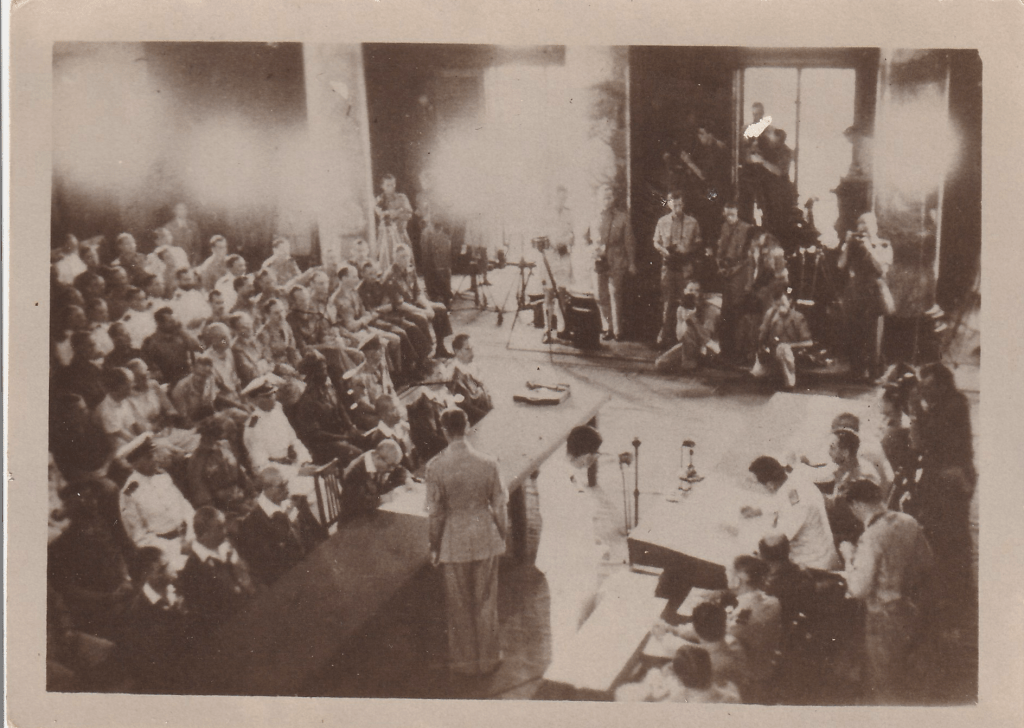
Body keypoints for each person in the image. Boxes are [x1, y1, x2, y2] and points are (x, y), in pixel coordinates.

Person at [426, 407, 508, 677]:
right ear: (468, 425)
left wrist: (435, 545)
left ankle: (464, 663)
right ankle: (489, 658)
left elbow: (436, 514)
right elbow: (499, 506)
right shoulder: (489, 463)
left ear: (444, 431)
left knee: (458, 604)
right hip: (485, 535)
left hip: (453, 539)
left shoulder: (435, 467)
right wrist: (501, 535)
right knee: (486, 601)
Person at [840, 479, 933, 703]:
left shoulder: (870, 536)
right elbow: (927, 561)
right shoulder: (908, 521)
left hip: (884, 617)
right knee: (915, 675)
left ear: (856, 505)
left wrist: (848, 558)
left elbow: (859, 589)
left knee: (886, 683)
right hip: (913, 608)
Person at [905, 362, 976, 615]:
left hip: (950, 478)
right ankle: (954, 591)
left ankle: (954, 596)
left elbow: (921, 443)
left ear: (942, 385)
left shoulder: (953, 406)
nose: (924, 391)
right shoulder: (951, 403)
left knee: (949, 536)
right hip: (948, 475)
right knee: (950, 534)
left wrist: (915, 411)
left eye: (929, 386)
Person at [533, 424, 608, 659]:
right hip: (567, 562)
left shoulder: (560, 470)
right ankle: (565, 669)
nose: (593, 461)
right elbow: (572, 523)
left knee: (575, 617)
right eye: (594, 457)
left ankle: (574, 662)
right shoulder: (559, 480)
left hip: (572, 557)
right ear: (586, 457)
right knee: (567, 621)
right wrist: (596, 551)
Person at [234, 466, 327, 586]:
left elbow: (317, 534)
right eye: (281, 486)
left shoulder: (296, 501)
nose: (287, 489)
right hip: (290, 581)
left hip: (314, 566)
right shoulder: (253, 522)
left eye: (286, 483)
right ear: (267, 489)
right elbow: (269, 566)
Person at [744, 456, 840, 571]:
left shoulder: (795, 505)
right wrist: (760, 510)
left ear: (770, 485)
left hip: (815, 563)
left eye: (755, 484)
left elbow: (775, 543)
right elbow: (779, 500)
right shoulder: (796, 482)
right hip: (822, 549)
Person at [118, 434, 195, 573]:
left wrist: (190, 535)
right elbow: (139, 537)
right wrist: (177, 548)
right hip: (166, 551)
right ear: (135, 463)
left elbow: (185, 506)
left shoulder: (162, 476)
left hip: (190, 536)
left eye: (154, 454)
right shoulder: (129, 493)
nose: (156, 460)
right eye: (149, 457)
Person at [177, 506, 259, 634]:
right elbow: (208, 613)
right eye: (219, 527)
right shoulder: (192, 570)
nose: (225, 531)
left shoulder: (227, 543)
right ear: (204, 534)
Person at [838, 212, 893, 382]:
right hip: (855, 292)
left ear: (874, 227)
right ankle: (857, 370)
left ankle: (875, 372)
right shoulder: (853, 245)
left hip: (874, 292)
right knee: (854, 331)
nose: (863, 229)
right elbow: (840, 264)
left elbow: (882, 269)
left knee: (873, 334)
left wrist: (870, 248)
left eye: (866, 225)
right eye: (860, 225)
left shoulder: (884, 245)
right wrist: (847, 244)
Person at [290, 350, 365, 468]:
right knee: (357, 454)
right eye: (321, 371)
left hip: (340, 434)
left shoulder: (328, 388)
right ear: (312, 373)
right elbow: (315, 434)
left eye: (325, 369)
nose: (326, 374)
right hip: (323, 445)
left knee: (367, 439)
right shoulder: (307, 400)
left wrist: (350, 427)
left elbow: (340, 408)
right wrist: (343, 438)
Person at [582, 184, 637, 341]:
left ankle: (618, 331)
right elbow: (584, 238)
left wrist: (632, 262)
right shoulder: (592, 217)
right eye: (604, 197)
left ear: (613, 199)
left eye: (609, 197)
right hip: (599, 260)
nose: (607, 200)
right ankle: (607, 327)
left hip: (617, 259)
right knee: (600, 295)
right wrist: (591, 250)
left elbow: (629, 242)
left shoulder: (622, 217)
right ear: (599, 199)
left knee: (615, 294)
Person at [653, 189, 703, 347]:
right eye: (674, 205)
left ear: (683, 204)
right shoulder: (662, 222)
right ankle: (666, 337)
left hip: (684, 266)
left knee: (686, 301)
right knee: (668, 303)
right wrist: (664, 251)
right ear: (669, 204)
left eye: (680, 205)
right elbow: (655, 241)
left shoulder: (692, 222)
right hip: (668, 266)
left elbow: (698, 241)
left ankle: (687, 337)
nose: (677, 208)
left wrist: (687, 250)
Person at [386, 244, 453, 358]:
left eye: (407, 256)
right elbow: (399, 304)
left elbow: (418, 293)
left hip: (413, 304)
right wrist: (421, 311)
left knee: (440, 308)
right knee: (420, 318)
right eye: (402, 257)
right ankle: (426, 355)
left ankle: (440, 347)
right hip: (401, 311)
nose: (406, 259)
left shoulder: (411, 270)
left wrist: (428, 307)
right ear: (395, 259)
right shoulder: (391, 276)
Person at [615, 645, 741, 704]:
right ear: (710, 668)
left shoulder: (674, 703)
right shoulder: (731, 692)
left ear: (679, 679)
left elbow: (621, 693)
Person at [185, 414, 254, 513]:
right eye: (229, 434)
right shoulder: (197, 461)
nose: (233, 438)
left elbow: (242, 475)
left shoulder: (225, 447)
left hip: (240, 498)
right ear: (215, 435)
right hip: (223, 508)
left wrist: (252, 494)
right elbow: (203, 499)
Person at [751, 291, 813, 390]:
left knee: (783, 348)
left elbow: (809, 343)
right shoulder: (771, 315)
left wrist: (789, 345)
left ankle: (789, 383)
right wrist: (761, 346)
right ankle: (770, 374)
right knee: (757, 375)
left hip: (791, 354)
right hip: (773, 352)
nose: (780, 308)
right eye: (777, 305)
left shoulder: (797, 317)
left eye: (783, 304)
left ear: (790, 301)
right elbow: (761, 337)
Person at [715, 201, 754, 360]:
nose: (730, 218)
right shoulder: (724, 227)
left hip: (739, 274)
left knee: (738, 311)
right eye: (727, 215)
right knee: (726, 311)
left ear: (737, 214)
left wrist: (733, 270)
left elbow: (747, 257)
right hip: (726, 275)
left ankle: (739, 351)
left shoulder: (747, 229)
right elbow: (720, 250)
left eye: (733, 215)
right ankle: (726, 350)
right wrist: (720, 265)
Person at [654, 286, 721, 374]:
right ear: (684, 291)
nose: (693, 293)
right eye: (690, 290)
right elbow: (679, 334)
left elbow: (707, 333)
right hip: (689, 345)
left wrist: (711, 346)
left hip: (705, 346)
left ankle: (692, 363)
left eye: (696, 290)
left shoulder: (708, 308)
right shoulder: (681, 308)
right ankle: (692, 363)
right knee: (661, 363)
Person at [339, 439, 407, 521]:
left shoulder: (374, 458)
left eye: (394, 466)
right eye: (390, 466)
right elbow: (355, 503)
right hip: (354, 522)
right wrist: (381, 499)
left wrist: (407, 479)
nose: (391, 470)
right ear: (378, 458)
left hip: (372, 515)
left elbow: (400, 470)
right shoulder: (354, 472)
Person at [343, 335, 399, 430]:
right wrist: (385, 412)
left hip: (386, 410)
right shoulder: (359, 377)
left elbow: (390, 389)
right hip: (372, 415)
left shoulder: (381, 367)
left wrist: (394, 407)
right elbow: (364, 404)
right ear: (370, 353)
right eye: (379, 349)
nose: (382, 351)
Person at [142, 307, 204, 387]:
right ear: (160, 323)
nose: (174, 324)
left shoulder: (181, 335)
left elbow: (200, 348)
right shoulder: (151, 342)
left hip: (187, 377)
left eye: (174, 320)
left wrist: (184, 332)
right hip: (168, 382)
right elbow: (150, 368)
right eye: (170, 322)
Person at [446, 334, 493, 425]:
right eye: (467, 349)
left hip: (482, 407)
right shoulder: (452, 372)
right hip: (470, 417)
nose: (472, 353)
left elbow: (483, 389)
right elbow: (463, 406)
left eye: (472, 348)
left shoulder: (474, 366)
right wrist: (488, 417)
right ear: (457, 351)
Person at [374, 173, 415, 272]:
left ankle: (411, 283)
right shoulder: (379, 200)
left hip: (401, 233)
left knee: (406, 258)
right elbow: (382, 215)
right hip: (387, 236)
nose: (391, 187)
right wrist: (399, 211)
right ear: (382, 186)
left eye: (393, 184)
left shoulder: (402, 198)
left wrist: (395, 214)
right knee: (387, 259)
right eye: (388, 185)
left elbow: (409, 214)